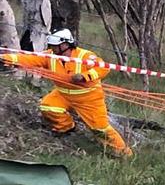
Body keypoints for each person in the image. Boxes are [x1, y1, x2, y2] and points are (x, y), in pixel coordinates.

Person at [1, 30, 132, 157]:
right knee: (48, 107)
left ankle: (123, 153)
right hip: (62, 94)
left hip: (88, 99)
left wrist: (84, 76)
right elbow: (29, 58)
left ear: (65, 45)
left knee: (100, 129)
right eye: (51, 46)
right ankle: (66, 130)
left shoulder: (85, 56)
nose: (52, 48)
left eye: (55, 46)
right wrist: (5, 58)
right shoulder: (51, 56)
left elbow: (103, 68)